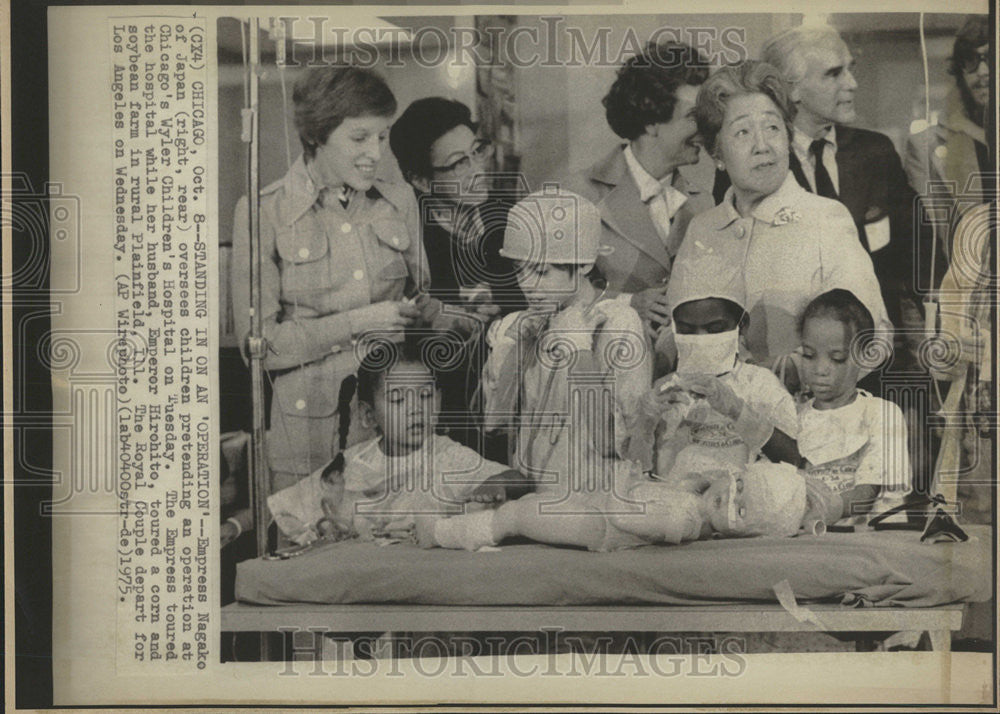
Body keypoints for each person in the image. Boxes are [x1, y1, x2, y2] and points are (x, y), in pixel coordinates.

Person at [231, 66, 441, 494]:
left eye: (381, 137)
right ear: (316, 136)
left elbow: (419, 299)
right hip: (305, 445)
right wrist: (361, 321)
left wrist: (431, 313)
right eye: (359, 138)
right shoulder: (262, 211)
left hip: (393, 435)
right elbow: (260, 348)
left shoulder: (398, 199)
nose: (375, 153)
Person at [677, 60, 891, 391]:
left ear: (788, 135)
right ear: (717, 152)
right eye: (743, 131)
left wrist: (801, 373)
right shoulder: (702, 229)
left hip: (802, 424)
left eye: (773, 127)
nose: (762, 145)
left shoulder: (825, 219)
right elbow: (677, 339)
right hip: (712, 422)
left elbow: (872, 337)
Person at [734, 25, 922, 329]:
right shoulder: (755, 166)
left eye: (850, 69)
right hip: (789, 355)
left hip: (878, 346)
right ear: (790, 88)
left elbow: (917, 252)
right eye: (834, 74)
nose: (853, 83)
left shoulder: (877, 152)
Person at [266, 337, 531, 546]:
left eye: (426, 396)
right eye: (398, 400)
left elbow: (519, 479)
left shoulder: (450, 456)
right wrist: (234, 525)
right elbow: (287, 507)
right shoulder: (351, 464)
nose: (416, 409)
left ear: (438, 400)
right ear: (369, 415)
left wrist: (495, 483)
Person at [481, 189, 651, 499]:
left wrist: (579, 351)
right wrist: (513, 353)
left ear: (584, 265)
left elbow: (616, 443)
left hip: (597, 499)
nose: (528, 286)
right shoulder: (520, 325)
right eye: (520, 270)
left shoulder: (617, 323)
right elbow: (495, 426)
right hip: (533, 499)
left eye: (543, 272)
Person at [389, 97, 524, 454]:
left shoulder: (512, 215)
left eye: (476, 152)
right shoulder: (405, 239)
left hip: (517, 408)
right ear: (421, 180)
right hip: (440, 421)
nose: (477, 169)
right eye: (457, 164)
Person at [563, 41, 713, 340]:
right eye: (694, 116)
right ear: (651, 121)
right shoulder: (578, 195)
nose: (706, 128)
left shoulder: (704, 202)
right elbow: (549, 294)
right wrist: (627, 304)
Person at [631, 242, 800, 478]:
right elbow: (637, 473)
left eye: (715, 329)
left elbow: (794, 460)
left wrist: (739, 411)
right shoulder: (665, 391)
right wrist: (645, 425)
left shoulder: (761, 385)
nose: (701, 339)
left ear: (741, 326)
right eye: (688, 330)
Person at [415, 460, 844, 552]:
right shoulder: (696, 501)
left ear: (743, 533)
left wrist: (623, 482)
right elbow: (680, 483)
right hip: (595, 506)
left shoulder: (684, 519)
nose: (729, 495)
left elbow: (626, 517)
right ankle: (461, 524)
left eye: (742, 509)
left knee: (519, 515)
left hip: (598, 525)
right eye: (740, 485)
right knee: (529, 502)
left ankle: (442, 534)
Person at [796, 289, 911, 524]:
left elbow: (867, 495)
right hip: (810, 539)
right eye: (809, 355)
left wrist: (817, 511)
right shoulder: (794, 416)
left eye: (836, 358)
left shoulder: (880, 414)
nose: (820, 369)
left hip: (869, 540)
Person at [906, 16, 992, 229]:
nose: (983, 72)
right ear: (960, 71)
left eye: (992, 58)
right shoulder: (927, 145)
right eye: (970, 60)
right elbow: (931, 239)